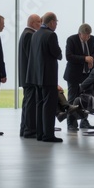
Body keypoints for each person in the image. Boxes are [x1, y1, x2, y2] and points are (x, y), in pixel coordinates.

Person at [26, 12, 63, 143]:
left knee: (40, 104)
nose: (56, 25)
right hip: (48, 75)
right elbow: (57, 54)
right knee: (49, 105)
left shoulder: (35, 34)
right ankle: (48, 135)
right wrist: (59, 53)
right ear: (51, 22)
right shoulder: (51, 35)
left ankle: (40, 134)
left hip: (36, 76)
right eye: (56, 22)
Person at [63, 23, 94, 131]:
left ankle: (84, 121)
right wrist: (84, 59)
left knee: (86, 98)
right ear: (80, 34)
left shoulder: (91, 39)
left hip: (87, 74)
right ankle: (71, 123)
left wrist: (92, 58)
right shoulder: (71, 40)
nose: (88, 37)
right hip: (73, 74)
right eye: (86, 35)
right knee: (73, 99)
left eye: (89, 35)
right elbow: (69, 56)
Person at [19, 14, 41, 138]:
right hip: (30, 77)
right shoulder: (29, 35)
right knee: (30, 104)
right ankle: (29, 130)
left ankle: (25, 129)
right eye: (39, 22)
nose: (41, 24)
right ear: (32, 23)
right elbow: (32, 58)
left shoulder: (26, 33)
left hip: (27, 77)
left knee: (28, 103)